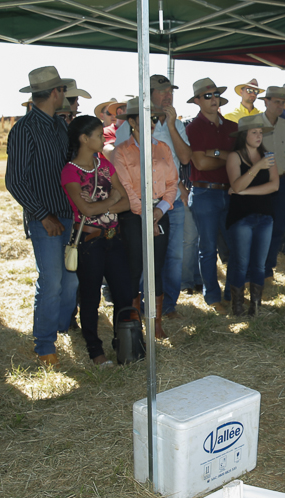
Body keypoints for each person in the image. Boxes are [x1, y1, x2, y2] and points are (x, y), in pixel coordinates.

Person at [6, 66, 78, 366]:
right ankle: (44, 344)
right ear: (55, 93)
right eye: (64, 91)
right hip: (45, 220)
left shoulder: (59, 126)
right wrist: (42, 215)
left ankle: (60, 328)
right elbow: (15, 181)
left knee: (69, 281)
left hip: (68, 215)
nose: (67, 97)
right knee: (51, 281)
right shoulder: (24, 129)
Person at [60, 115, 134, 366]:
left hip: (113, 239)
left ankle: (123, 342)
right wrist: (111, 202)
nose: (104, 138)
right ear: (84, 138)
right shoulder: (70, 172)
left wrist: (104, 205)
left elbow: (126, 201)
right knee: (91, 298)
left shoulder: (104, 165)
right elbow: (85, 211)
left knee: (124, 293)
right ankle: (95, 350)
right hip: (89, 243)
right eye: (99, 135)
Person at [106, 99, 178, 338]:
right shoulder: (122, 151)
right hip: (134, 216)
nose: (153, 122)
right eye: (148, 118)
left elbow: (172, 183)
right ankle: (135, 322)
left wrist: (159, 212)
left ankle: (155, 323)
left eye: (155, 119)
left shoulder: (163, 148)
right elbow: (126, 188)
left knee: (156, 269)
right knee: (134, 268)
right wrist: (148, 216)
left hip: (159, 212)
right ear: (133, 121)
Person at [185, 78, 238, 312]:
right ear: (197, 101)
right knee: (207, 248)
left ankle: (231, 294)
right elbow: (199, 162)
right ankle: (213, 298)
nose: (213, 98)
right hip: (204, 192)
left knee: (235, 246)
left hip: (230, 192)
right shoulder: (193, 128)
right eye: (207, 96)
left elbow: (237, 159)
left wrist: (214, 153)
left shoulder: (232, 127)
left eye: (216, 94)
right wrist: (225, 155)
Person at [145, 75, 193, 319]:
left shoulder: (177, 124)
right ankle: (146, 304)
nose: (168, 95)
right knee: (149, 255)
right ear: (148, 92)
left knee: (175, 254)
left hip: (172, 198)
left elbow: (185, 158)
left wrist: (173, 126)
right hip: (147, 200)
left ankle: (169, 305)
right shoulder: (135, 121)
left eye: (170, 91)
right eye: (162, 91)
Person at [225, 113, 279, 314]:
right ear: (243, 135)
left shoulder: (268, 156)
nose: (258, 136)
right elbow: (236, 184)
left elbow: (274, 186)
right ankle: (237, 307)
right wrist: (257, 167)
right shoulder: (235, 156)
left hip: (265, 215)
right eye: (254, 132)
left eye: (260, 133)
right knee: (241, 263)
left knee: (259, 264)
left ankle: (255, 306)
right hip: (241, 218)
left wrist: (245, 192)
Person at [259, 86, 285, 281]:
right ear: (266, 101)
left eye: (283, 102)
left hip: (282, 182)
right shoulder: (253, 123)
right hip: (260, 184)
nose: (281, 105)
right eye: (276, 102)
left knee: (279, 227)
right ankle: (256, 267)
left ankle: (268, 268)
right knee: (260, 225)